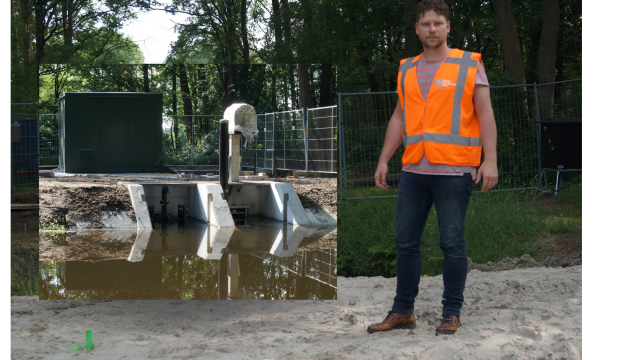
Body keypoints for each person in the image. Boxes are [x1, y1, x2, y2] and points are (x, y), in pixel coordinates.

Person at [367, 0, 498, 336]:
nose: (432, 29)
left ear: (448, 26)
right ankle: (402, 312)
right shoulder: (407, 68)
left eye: (438, 23)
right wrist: (384, 159)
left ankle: (451, 313)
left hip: (455, 172)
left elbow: (484, 114)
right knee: (405, 242)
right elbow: (400, 116)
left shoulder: (469, 64)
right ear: (417, 29)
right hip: (414, 171)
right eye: (426, 24)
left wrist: (491, 160)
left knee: (452, 243)